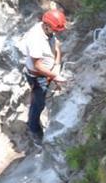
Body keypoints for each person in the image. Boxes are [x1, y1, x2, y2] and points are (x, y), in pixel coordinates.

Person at [21, 8, 67, 146]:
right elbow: (37, 66)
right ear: (46, 25)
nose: (55, 33)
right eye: (54, 29)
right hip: (37, 76)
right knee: (38, 104)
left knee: (41, 99)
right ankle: (33, 129)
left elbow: (56, 47)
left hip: (48, 71)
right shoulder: (35, 39)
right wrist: (55, 76)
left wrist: (57, 65)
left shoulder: (48, 31)